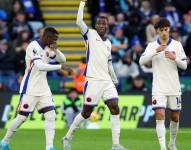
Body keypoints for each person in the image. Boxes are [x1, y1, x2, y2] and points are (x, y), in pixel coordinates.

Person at [62, 0, 127, 150]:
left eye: (104, 24)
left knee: (115, 108)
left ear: (107, 26)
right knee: (86, 112)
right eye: (99, 24)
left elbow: (109, 63)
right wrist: (82, 3)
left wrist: (114, 79)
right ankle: (67, 137)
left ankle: (116, 145)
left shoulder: (109, 43)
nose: (101, 26)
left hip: (107, 81)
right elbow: (78, 21)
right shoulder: (89, 35)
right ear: (95, 25)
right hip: (92, 81)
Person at [0, 27, 73, 150]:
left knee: (51, 115)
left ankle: (49, 146)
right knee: (22, 117)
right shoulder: (33, 46)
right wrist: (60, 67)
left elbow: (63, 59)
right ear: (47, 37)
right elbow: (40, 66)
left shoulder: (49, 47)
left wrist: (57, 50)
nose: (55, 42)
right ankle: (4, 142)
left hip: (43, 88)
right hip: (30, 87)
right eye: (54, 39)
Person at [139, 18, 187, 150]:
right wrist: (156, 51)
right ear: (157, 31)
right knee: (160, 115)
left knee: (175, 117)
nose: (164, 32)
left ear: (169, 30)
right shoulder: (152, 45)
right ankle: (163, 147)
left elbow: (184, 66)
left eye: (166, 30)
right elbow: (141, 61)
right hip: (158, 88)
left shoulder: (177, 45)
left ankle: (172, 143)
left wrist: (174, 58)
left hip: (174, 87)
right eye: (161, 30)